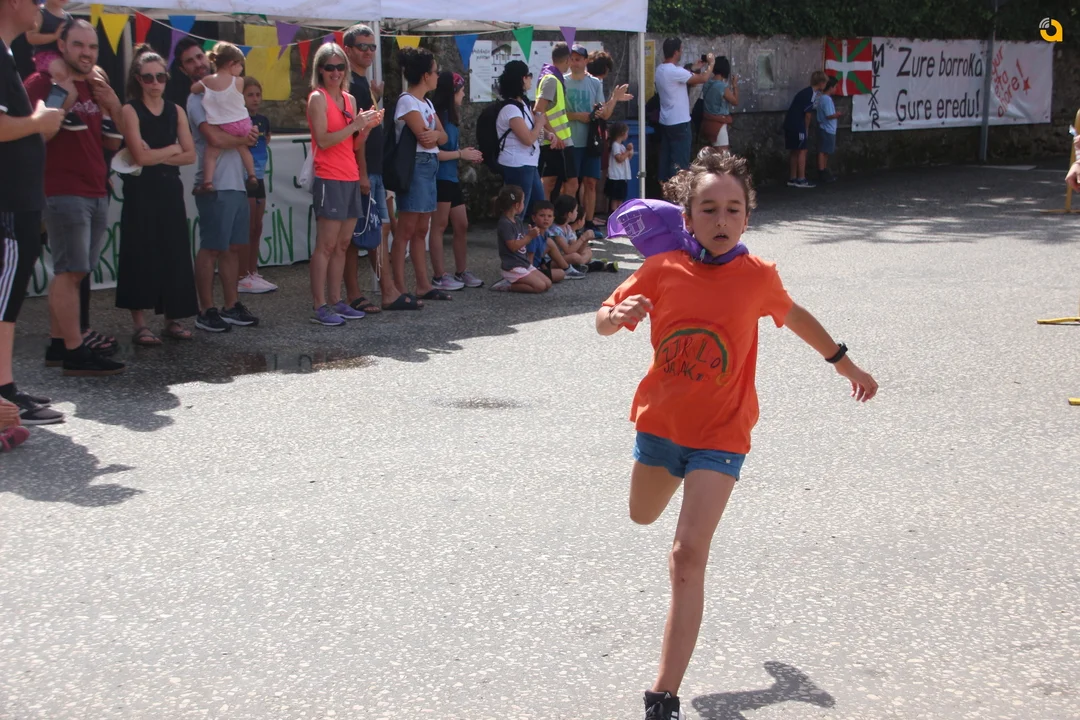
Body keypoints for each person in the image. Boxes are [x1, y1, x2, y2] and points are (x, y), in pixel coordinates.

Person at [596, 150, 878, 720]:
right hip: (661, 427)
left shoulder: (758, 277)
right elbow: (603, 316)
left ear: (747, 216)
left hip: (722, 435)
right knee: (642, 516)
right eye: (708, 209)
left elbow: (796, 317)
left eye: (733, 208)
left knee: (686, 555)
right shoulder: (662, 268)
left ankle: (662, 696)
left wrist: (844, 363)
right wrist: (616, 317)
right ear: (687, 217)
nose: (721, 219)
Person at [25, 19, 126, 377]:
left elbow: (111, 140)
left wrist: (113, 106)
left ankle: (59, 343)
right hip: (63, 188)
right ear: (62, 46)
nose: (86, 53)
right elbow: (34, 137)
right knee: (69, 271)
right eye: (79, 45)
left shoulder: (93, 86)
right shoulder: (42, 82)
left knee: (76, 272)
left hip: (95, 187)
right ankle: (73, 351)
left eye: (92, 46)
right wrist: (64, 99)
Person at [0, 0, 65, 427]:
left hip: (19, 198)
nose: (41, 7)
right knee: (4, 296)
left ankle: (6, 387)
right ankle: (3, 393)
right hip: (7, 199)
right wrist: (40, 121)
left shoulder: (6, 53)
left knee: (10, 295)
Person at [114, 44, 197, 345]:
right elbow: (139, 156)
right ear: (138, 79)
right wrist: (172, 149)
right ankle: (140, 324)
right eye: (148, 77)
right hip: (140, 190)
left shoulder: (176, 110)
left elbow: (190, 155)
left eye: (160, 77)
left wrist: (159, 155)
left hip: (169, 188)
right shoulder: (130, 110)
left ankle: (172, 318)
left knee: (173, 251)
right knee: (139, 251)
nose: (155, 83)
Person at [179, 36, 262, 333]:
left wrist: (248, 136)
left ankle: (231, 305)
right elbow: (213, 137)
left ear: (209, 58)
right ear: (183, 69)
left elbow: (241, 125)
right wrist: (243, 138)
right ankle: (205, 310)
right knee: (212, 247)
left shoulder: (228, 89)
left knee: (232, 248)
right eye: (189, 61)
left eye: (199, 57)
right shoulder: (197, 98)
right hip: (212, 183)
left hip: (236, 181)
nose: (197, 64)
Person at [306, 42, 379, 326]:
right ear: (320, 70)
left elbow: (352, 143)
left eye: (339, 67)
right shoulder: (318, 98)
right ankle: (319, 305)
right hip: (328, 176)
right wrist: (355, 126)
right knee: (325, 245)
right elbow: (323, 140)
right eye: (330, 68)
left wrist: (366, 129)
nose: (335, 73)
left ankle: (337, 300)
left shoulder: (348, 99)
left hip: (349, 176)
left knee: (343, 244)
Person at [342, 24, 410, 313]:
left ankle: (387, 290)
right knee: (356, 235)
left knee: (377, 230)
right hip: (363, 169)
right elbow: (354, 135)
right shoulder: (350, 86)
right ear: (348, 50)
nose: (369, 52)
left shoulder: (362, 84)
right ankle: (358, 294)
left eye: (372, 47)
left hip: (374, 168)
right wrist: (361, 173)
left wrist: (376, 97)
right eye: (363, 47)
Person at [390, 46, 448, 304]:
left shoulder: (427, 102)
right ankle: (399, 288)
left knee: (422, 228)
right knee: (406, 229)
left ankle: (423, 285)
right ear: (425, 75)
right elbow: (425, 137)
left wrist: (435, 135)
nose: (438, 76)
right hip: (416, 165)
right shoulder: (407, 101)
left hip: (429, 164)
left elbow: (442, 137)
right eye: (435, 72)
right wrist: (435, 135)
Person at [564, 43, 632, 236]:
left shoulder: (595, 83)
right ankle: (568, 224)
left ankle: (588, 222)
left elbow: (604, 113)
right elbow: (556, 112)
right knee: (571, 184)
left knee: (591, 183)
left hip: (591, 141)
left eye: (578, 59)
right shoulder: (562, 82)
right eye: (572, 59)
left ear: (586, 61)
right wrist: (577, 116)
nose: (574, 63)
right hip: (570, 141)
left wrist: (614, 99)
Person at [430, 70, 484, 290]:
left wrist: (466, 154)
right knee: (439, 226)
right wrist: (462, 154)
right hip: (439, 177)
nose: (463, 94)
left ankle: (461, 271)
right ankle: (439, 275)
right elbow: (434, 153)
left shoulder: (451, 117)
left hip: (451, 177)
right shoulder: (438, 116)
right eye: (461, 90)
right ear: (452, 92)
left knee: (462, 224)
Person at [189, 42, 258, 194]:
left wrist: (207, 89)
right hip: (243, 123)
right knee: (244, 148)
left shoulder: (209, 81)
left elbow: (193, 89)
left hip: (223, 124)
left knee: (211, 153)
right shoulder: (239, 81)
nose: (241, 69)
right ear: (231, 63)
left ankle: (208, 182)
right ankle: (252, 175)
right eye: (240, 65)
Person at [237, 75, 277, 294]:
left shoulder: (263, 120)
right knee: (248, 225)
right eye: (250, 95)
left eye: (257, 95)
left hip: (259, 176)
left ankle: (252, 270)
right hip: (246, 176)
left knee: (257, 226)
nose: (255, 99)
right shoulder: (240, 119)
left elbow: (266, 138)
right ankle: (242, 274)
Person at [654, 38, 712, 181]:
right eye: (681, 50)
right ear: (676, 52)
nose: (682, 52)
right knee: (680, 164)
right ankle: (678, 191)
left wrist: (693, 67)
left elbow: (681, 76)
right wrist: (711, 64)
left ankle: (665, 190)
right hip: (680, 122)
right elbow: (703, 78)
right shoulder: (675, 71)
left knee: (665, 159)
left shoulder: (660, 69)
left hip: (666, 121)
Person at [496, 60, 546, 222]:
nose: (531, 79)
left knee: (540, 207)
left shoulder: (523, 103)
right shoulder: (510, 109)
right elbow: (528, 139)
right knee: (517, 210)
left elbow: (533, 129)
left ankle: (534, 237)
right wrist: (540, 124)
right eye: (528, 75)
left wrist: (546, 134)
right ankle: (513, 237)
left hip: (529, 163)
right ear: (522, 79)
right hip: (517, 164)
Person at [490, 184, 550, 294]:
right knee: (540, 287)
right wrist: (529, 236)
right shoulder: (505, 223)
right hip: (512, 266)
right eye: (523, 201)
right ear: (517, 205)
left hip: (523, 263)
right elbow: (513, 246)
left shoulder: (517, 220)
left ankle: (515, 281)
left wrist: (529, 234)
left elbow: (521, 240)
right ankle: (507, 285)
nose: (524, 204)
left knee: (547, 283)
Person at [535, 43, 573, 200]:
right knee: (550, 183)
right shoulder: (551, 79)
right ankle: (545, 212)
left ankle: (558, 213)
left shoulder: (554, 78)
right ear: (568, 60)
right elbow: (538, 110)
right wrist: (553, 135)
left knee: (566, 182)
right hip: (552, 142)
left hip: (559, 140)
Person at [785, 70, 827, 188]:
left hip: (790, 123)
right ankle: (801, 178)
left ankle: (793, 177)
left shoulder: (805, 92)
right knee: (802, 150)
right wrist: (806, 129)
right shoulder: (811, 94)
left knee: (794, 150)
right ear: (821, 82)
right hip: (798, 124)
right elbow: (807, 114)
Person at [701, 56, 738, 152]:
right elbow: (735, 101)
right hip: (718, 125)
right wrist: (735, 85)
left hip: (707, 123)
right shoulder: (721, 87)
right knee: (723, 156)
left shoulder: (707, 84)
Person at [23, 0, 68, 74]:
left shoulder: (67, 17)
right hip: (44, 55)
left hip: (64, 55)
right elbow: (31, 37)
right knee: (60, 69)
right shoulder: (40, 13)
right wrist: (54, 36)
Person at [550, 194, 593, 272]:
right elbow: (568, 250)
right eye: (576, 210)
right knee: (575, 257)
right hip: (553, 260)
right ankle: (583, 265)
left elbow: (577, 250)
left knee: (588, 251)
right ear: (569, 214)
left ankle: (579, 265)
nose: (577, 213)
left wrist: (586, 240)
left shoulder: (567, 227)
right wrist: (583, 238)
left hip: (564, 257)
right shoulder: (555, 230)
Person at [815, 76, 841, 184]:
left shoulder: (823, 98)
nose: (835, 89)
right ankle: (822, 171)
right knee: (823, 151)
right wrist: (837, 114)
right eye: (835, 87)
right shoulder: (826, 99)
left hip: (826, 128)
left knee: (825, 151)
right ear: (831, 87)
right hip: (826, 128)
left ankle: (824, 170)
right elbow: (829, 115)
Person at [606, 121, 633, 214]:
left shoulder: (621, 146)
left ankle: (619, 213)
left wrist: (629, 151)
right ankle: (613, 213)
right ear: (622, 133)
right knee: (615, 198)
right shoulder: (615, 145)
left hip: (621, 176)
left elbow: (627, 158)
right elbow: (619, 158)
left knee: (620, 198)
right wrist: (627, 152)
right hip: (616, 176)